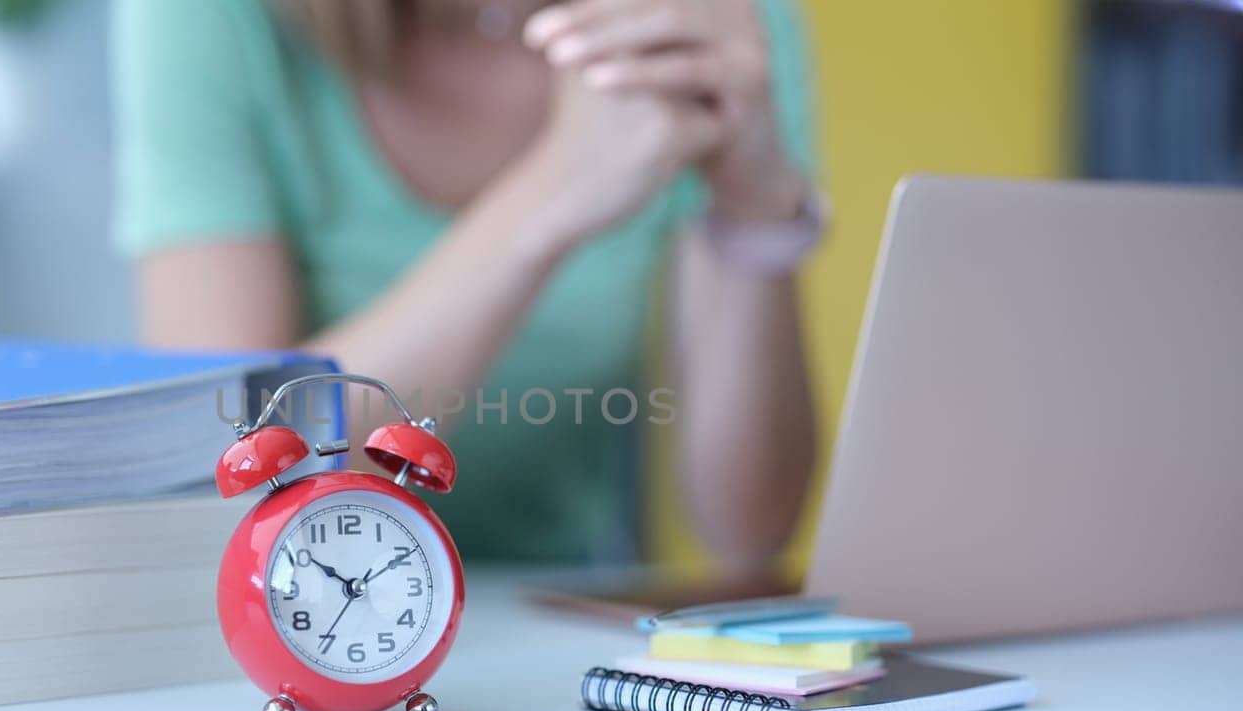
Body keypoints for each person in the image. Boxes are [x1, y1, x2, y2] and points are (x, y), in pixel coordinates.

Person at [115, 0, 820, 578]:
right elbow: (222, 481)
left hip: (555, 644)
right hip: (289, 624)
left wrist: (754, 212)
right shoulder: (213, 19)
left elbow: (752, 529)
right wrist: (556, 190)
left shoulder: (706, 30)